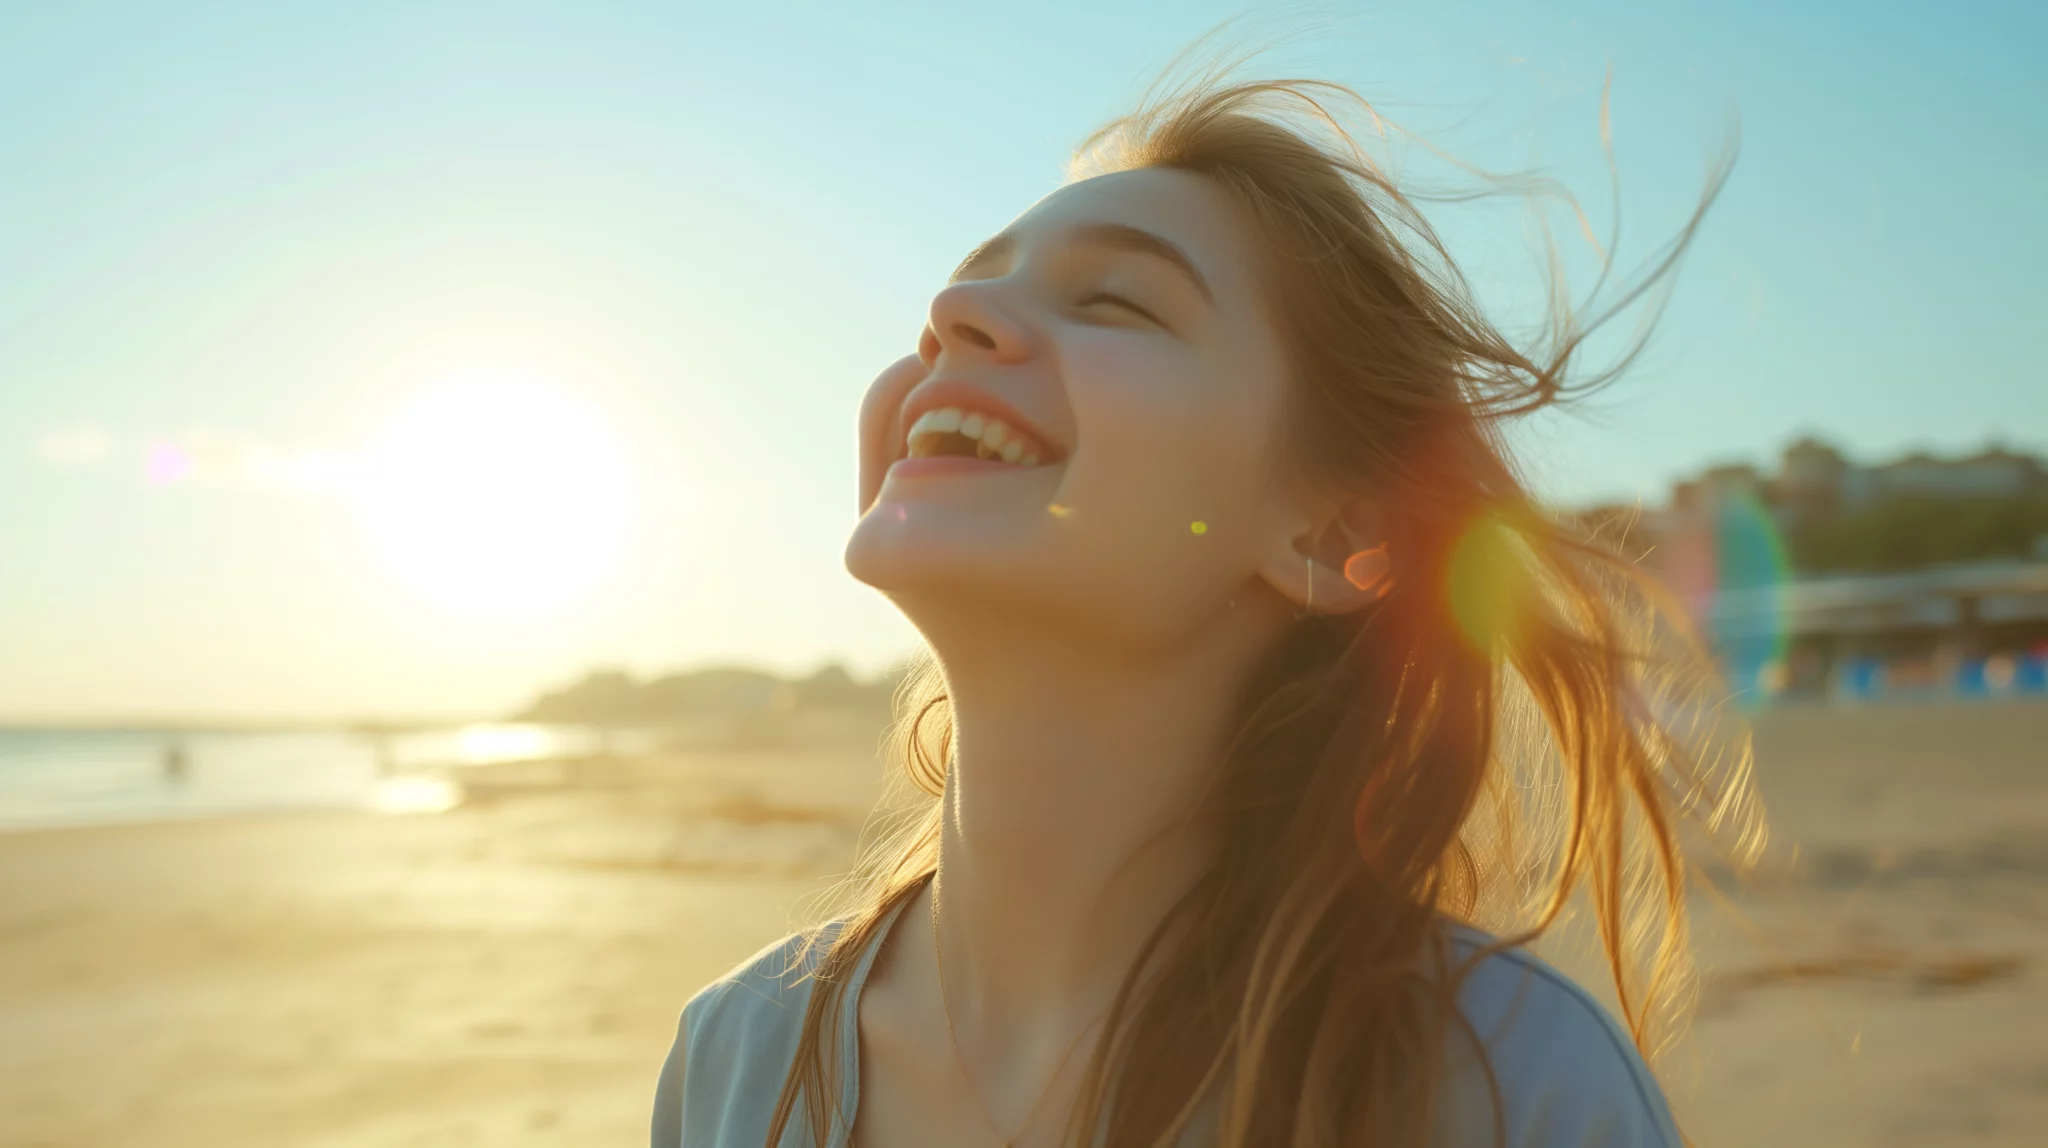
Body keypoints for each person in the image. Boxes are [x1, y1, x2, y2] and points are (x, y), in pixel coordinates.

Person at [652, 53, 1762, 1148]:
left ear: (1329, 535)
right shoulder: (734, 1061)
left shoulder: (1505, 1087)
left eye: (1116, 302)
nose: (950, 311)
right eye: (962, 291)